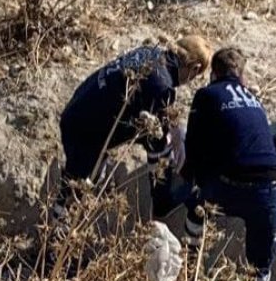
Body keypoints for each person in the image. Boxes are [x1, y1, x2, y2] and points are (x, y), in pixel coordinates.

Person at [159, 47, 276, 281]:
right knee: (260, 265)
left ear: (213, 74)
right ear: (241, 76)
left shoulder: (206, 96)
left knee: (196, 206)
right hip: (271, 190)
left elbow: (194, 152)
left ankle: (190, 279)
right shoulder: (254, 99)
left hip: (230, 186)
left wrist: (187, 182)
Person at [58, 36, 214, 201]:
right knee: (73, 193)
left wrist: (174, 126)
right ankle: (161, 198)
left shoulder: (149, 51)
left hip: (76, 109)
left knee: (151, 131)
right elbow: (158, 124)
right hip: (85, 133)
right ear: (195, 69)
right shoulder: (163, 86)